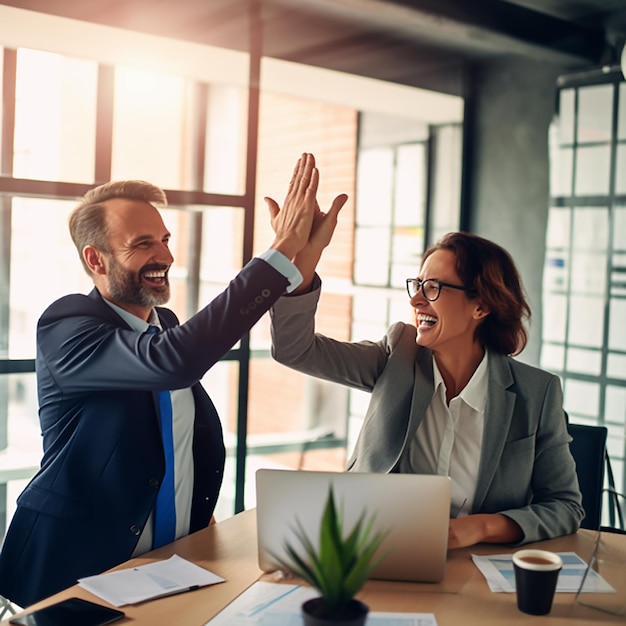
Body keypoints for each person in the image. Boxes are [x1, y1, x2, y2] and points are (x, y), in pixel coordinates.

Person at [0, 152, 338, 608]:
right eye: (143, 243)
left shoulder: (166, 325)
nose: (166, 255)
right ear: (95, 259)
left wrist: (303, 259)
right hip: (76, 570)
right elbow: (175, 361)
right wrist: (278, 255)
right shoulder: (67, 326)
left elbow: (173, 439)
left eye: (164, 238)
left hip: (170, 566)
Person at [267, 200, 584, 549]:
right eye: (416, 285)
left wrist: (480, 528)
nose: (416, 300)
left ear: (481, 305)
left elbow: (565, 506)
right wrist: (305, 260)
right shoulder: (397, 354)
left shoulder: (536, 393)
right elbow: (294, 349)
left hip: (475, 565)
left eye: (432, 288)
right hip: (378, 546)